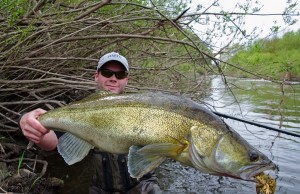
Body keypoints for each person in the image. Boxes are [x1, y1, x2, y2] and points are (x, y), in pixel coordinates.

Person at [19, 52, 162, 194]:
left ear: (126, 80)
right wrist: (28, 122)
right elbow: (51, 142)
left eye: (120, 75)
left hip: (144, 186)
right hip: (100, 190)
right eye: (107, 73)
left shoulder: (146, 109)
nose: (113, 78)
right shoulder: (78, 110)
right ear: (96, 76)